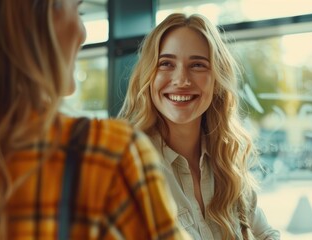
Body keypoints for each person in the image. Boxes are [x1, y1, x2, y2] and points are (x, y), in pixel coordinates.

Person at [0, 1, 189, 239]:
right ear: (36, 20)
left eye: (197, 65)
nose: (83, 33)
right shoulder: (110, 156)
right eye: (76, 10)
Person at [118, 13, 280, 240]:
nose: (181, 79)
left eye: (197, 65)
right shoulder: (125, 165)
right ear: (149, 76)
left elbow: (265, 234)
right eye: (166, 63)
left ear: (217, 80)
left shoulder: (227, 165)